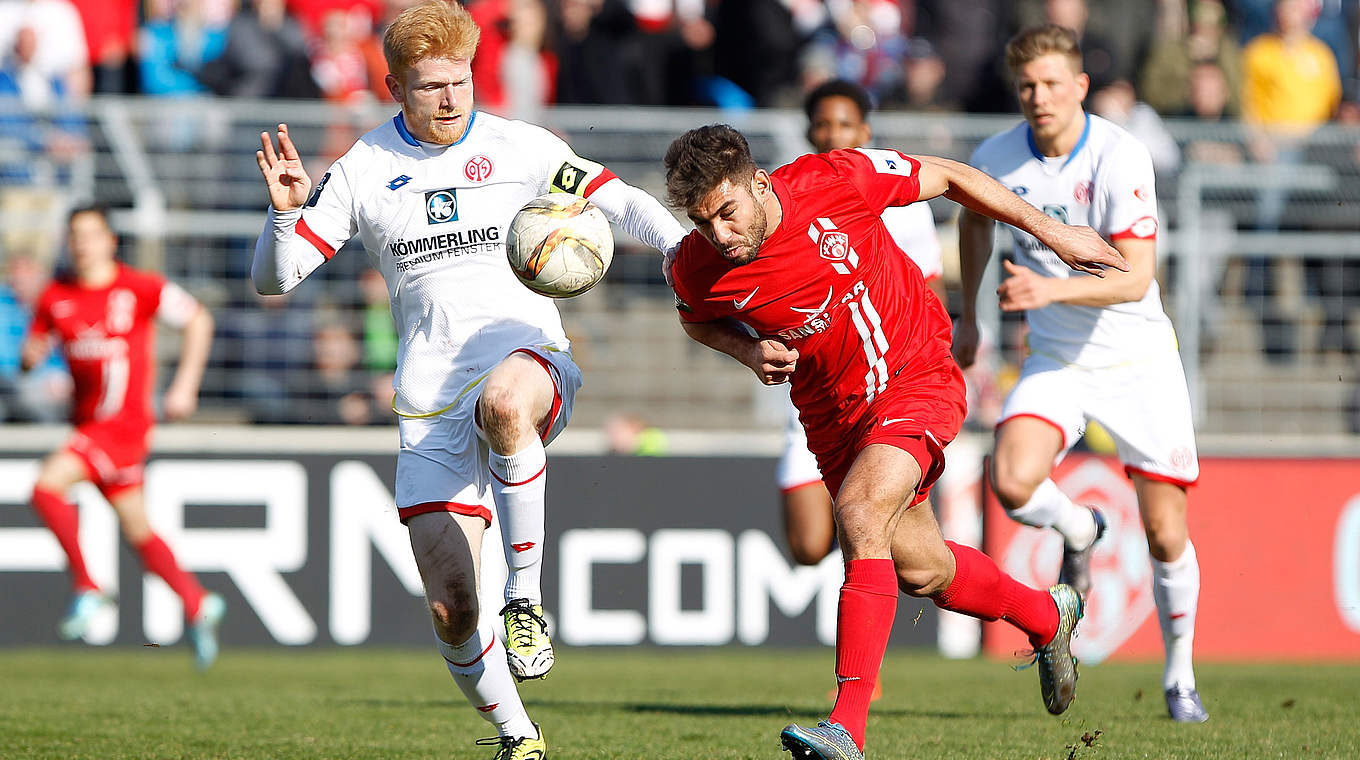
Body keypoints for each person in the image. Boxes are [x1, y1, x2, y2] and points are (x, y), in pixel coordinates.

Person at [250, 2, 683, 757]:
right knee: (451, 606)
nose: (451, 99)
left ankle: (526, 601)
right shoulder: (364, 169)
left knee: (506, 402)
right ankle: (519, 736)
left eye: (460, 81)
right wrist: (285, 215)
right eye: (430, 87)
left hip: (527, 357)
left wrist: (683, 254)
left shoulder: (521, 146)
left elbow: (619, 201)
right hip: (428, 400)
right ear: (394, 87)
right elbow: (275, 279)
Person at [664, 123, 1127, 759]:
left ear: (755, 181)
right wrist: (747, 350)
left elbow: (955, 177)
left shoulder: (834, 180)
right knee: (924, 570)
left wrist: (1056, 233)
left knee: (860, 511)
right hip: (834, 418)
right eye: (702, 222)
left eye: (727, 213)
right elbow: (696, 321)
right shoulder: (696, 266)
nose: (720, 234)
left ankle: (846, 727)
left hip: (917, 374)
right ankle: (1049, 618)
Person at [953, 24, 1209, 723]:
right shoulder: (996, 157)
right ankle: (1081, 531)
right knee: (1010, 480)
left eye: (1051, 84)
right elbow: (974, 225)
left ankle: (1179, 676)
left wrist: (1049, 291)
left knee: (1164, 533)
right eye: (1027, 86)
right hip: (1059, 358)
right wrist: (971, 317)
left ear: (1081, 87)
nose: (1039, 98)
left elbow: (1135, 278)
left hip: (1138, 360)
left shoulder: (1121, 155)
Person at [21, 204, 223, 669]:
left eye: (91, 234)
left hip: (124, 426)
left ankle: (89, 587)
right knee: (138, 530)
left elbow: (198, 319)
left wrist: (184, 385)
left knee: (45, 486)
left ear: (110, 240)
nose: (82, 244)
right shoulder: (55, 297)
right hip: (88, 424)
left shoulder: (140, 287)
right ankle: (196, 602)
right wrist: (31, 358)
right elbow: (31, 355)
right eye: (75, 235)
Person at [778, 79, 947, 574]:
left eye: (846, 125)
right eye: (824, 125)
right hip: (821, 395)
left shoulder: (902, 202)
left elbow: (931, 294)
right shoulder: (788, 194)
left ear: (866, 130)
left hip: (891, 391)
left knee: (894, 545)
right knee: (809, 546)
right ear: (810, 132)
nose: (835, 135)